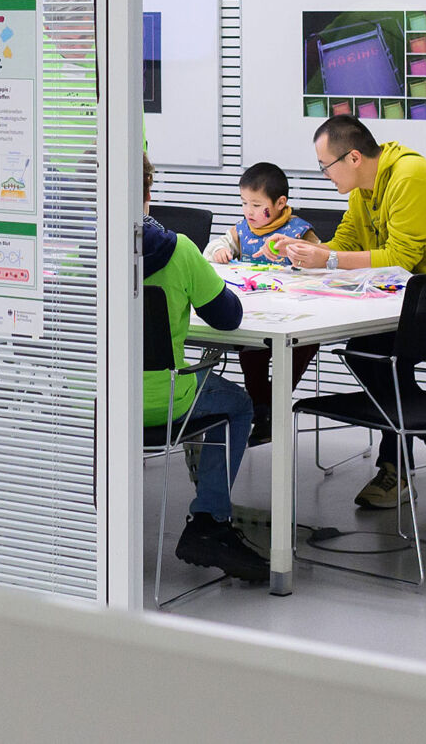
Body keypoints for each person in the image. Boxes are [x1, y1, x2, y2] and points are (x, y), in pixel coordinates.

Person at [277, 116, 426, 510]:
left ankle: (396, 470)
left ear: (354, 157)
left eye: (325, 165)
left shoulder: (409, 178)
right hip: (425, 300)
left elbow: (401, 258)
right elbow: (343, 243)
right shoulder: (365, 190)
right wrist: (301, 251)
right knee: (366, 350)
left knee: (376, 353)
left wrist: (326, 261)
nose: (324, 174)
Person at [141, 155, 268, 583]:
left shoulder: (62, 254)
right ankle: (210, 523)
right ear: (147, 194)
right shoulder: (177, 250)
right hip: (162, 401)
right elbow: (228, 318)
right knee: (238, 406)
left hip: (91, 404)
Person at [203, 162, 320, 445]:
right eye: (244, 203)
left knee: (303, 346)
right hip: (255, 314)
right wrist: (219, 251)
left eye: (257, 204)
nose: (249, 211)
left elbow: (323, 263)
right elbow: (211, 249)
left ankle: (274, 403)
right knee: (250, 355)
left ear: (280, 203)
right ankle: (262, 409)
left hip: (294, 313)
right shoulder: (242, 231)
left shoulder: (299, 231)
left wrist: (299, 255)